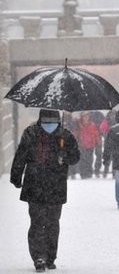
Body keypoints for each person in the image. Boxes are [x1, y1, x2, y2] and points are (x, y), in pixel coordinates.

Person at [10, 109, 80, 272]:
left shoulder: (31, 133)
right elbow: (75, 156)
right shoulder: (64, 134)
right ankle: (48, 257)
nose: (50, 125)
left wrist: (16, 176)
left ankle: (40, 257)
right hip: (55, 186)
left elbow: (21, 155)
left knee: (37, 223)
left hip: (35, 184)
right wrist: (65, 157)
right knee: (52, 223)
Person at [75, 111, 101, 179]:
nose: (86, 118)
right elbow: (76, 134)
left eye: (87, 116)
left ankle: (89, 173)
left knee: (89, 159)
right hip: (81, 145)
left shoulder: (92, 125)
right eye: (84, 116)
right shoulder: (78, 125)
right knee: (82, 160)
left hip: (90, 145)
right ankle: (83, 173)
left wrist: (98, 142)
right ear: (82, 117)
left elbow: (96, 134)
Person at [99, 109, 117, 178]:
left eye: (114, 114)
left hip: (115, 143)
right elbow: (102, 129)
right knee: (107, 158)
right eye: (112, 114)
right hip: (108, 142)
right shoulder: (106, 121)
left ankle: (114, 173)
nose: (113, 116)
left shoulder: (118, 122)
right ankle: (105, 172)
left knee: (115, 158)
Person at [90, 111, 105, 178]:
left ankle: (96, 170)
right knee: (93, 155)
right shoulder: (100, 115)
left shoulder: (97, 115)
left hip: (96, 138)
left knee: (97, 155)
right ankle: (96, 170)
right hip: (93, 138)